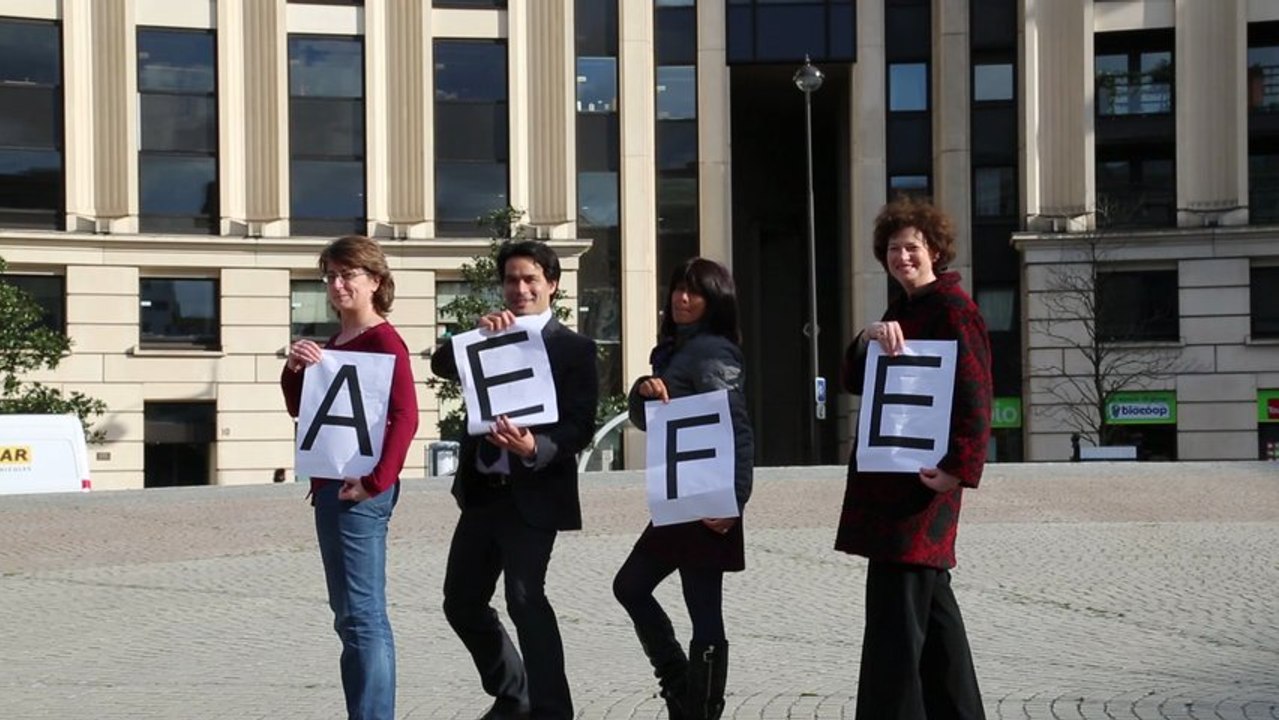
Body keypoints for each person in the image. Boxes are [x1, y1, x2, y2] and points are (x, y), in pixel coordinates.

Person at [836, 197, 992, 720]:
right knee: (932, 618)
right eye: (893, 249)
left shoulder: (953, 310)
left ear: (935, 252)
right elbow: (858, 380)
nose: (902, 257)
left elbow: (976, 395)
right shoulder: (900, 310)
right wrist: (869, 338)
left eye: (912, 247)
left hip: (923, 487)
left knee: (895, 624)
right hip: (892, 483)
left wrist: (957, 471)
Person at [430, 240, 598, 720]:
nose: (520, 289)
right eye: (511, 280)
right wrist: (477, 333)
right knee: (460, 602)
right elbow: (442, 365)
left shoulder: (575, 349)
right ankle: (514, 692)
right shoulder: (489, 334)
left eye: (530, 279)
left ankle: (552, 710)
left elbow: (580, 426)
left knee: (525, 598)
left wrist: (535, 448)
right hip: (483, 495)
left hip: (534, 494)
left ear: (552, 284)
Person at [280, 235, 419, 720]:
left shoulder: (384, 341)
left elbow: (406, 417)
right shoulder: (335, 343)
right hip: (330, 489)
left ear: (375, 282)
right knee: (348, 617)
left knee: (363, 617)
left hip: (359, 492)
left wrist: (376, 481)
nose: (337, 285)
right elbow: (305, 412)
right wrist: (295, 370)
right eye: (331, 276)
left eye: (348, 275)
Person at [614, 257, 754, 720]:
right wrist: (643, 390)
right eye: (678, 289)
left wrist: (734, 499)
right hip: (678, 491)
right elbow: (643, 419)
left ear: (714, 301)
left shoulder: (713, 352)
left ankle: (698, 708)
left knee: (702, 608)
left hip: (708, 495)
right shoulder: (673, 349)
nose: (682, 298)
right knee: (631, 586)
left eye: (694, 292)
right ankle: (682, 690)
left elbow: (737, 427)